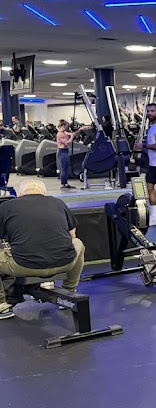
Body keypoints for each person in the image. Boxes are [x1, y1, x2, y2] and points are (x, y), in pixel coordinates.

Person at [0, 179, 85, 320]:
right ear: (45, 193)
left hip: (23, 266)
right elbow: (72, 235)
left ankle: (2, 306)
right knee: (78, 243)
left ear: (19, 194)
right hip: (65, 263)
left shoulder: (6, 206)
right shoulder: (58, 203)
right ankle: (69, 290)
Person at [55, 119, 87, 191]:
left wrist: (80, 129)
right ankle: (63, 184)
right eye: (66, 126)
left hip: (65, 151)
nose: (67, 128)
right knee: (64, 168)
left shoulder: (64, 132)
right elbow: (67, 143)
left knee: (66, 168)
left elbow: (74, 134)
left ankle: (65, 183)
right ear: (63, 126)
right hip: (62, 152)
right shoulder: (60, 134)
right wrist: (72, 137)